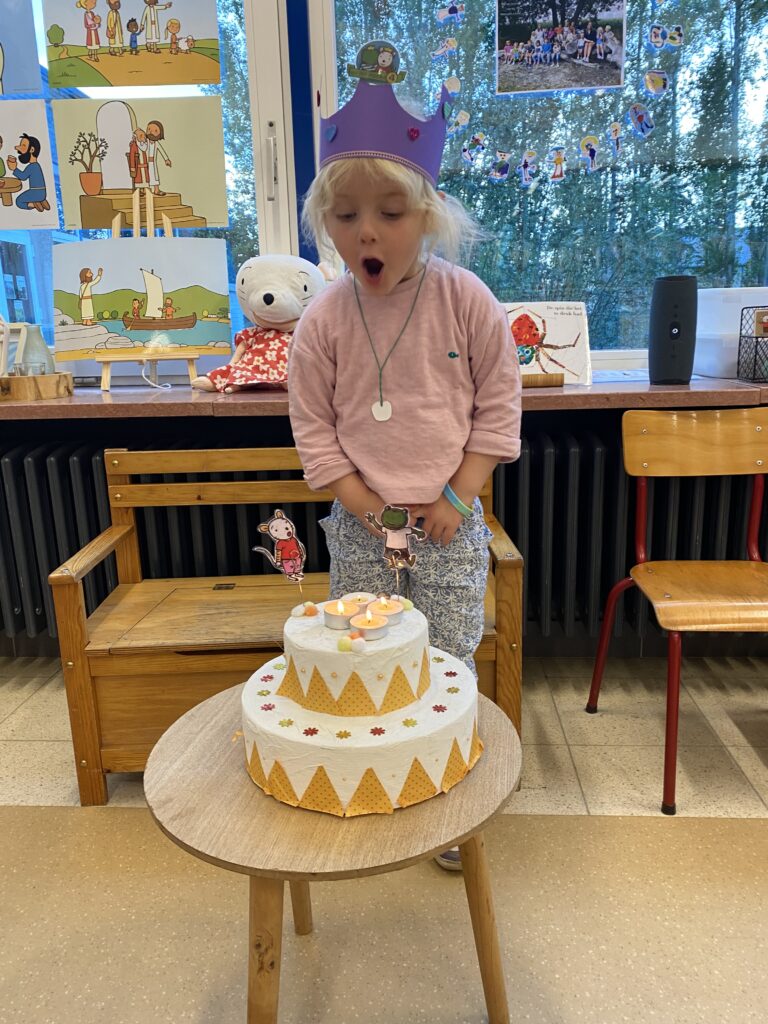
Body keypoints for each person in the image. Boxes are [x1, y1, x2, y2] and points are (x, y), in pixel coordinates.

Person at [288, 64, 521, 871]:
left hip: (451, 522)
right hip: (363, 526)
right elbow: (315, 430)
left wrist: (459, 496)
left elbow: (498, 410)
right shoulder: (323, 320)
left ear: (428, 215)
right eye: (346, 215)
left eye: (389, 213)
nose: (367, 234)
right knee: (365, 657)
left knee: (449, 657)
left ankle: (448, 794)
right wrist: (366, 507)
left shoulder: (468, 301)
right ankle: (370, 774)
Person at [6, 134, 50, 212]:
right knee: (34, 196)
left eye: (23, 145)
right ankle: (42, 201)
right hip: (42, 193)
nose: (18, 148)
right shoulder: (37, 165)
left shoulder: (32, 166)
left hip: (35, 193)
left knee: (19, 201)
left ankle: (34, 204)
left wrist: (14, 169)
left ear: (32, 149)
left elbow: (23, 177)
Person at [145, 119, 171, 195]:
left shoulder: (156, 143)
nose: (151, 132)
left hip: (153, 163)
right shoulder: (145, 142)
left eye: (155, 131)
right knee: (146, 176)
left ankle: (156, 190)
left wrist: (166, 159)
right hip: (145, 162)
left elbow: (162, 151)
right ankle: (145, 190)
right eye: (149, 129)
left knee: (154, 176)